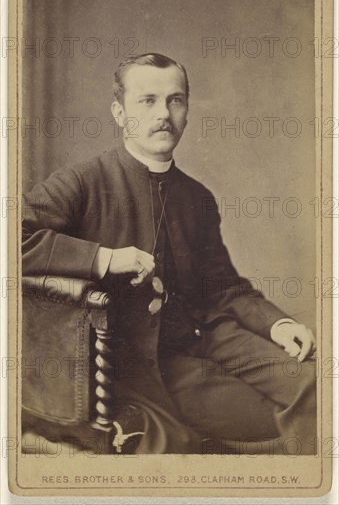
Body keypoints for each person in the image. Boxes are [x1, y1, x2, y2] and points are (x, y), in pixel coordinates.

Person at [22, 53, 317, 455]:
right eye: (147, 101)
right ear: (118, 111)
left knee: (314, 387)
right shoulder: (83, 181)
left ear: (188, 111)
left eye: (175, 100)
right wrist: (103, 258)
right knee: (272, 419)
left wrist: (277, 324)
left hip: (212, 333)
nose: (164, 113)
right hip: (141, 361)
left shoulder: (197, 196)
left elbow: (225, 287)